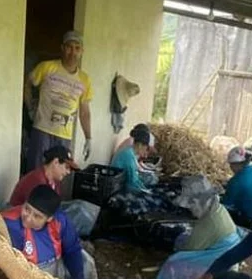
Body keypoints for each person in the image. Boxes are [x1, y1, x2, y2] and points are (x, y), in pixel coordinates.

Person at [154, 175, 242, 279]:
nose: (189, 208)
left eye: (191, 204)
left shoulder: (209, 222)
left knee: (174, 262)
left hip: (224, 263)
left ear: (201, 201)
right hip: (231, 255)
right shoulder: (217, 209)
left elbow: (189, 249)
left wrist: (177, 249)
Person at [24, 31, 93, 172]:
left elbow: (84, 112)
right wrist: (30, 107)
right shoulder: (47, 67)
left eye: (77, 48)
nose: (72, 52)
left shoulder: (84, 79)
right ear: (62, 48)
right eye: (69, 47)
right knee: (36, 173)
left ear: (82, 52)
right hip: (42, 129)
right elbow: (27, 84)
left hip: (64, 135)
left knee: (58, 175)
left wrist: (88, 138)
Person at [10, 145, 78, 206]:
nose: (68, 172)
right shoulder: (37, 180)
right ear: (55, 162)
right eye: (66, 167)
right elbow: (38, 212)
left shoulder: (55, 181)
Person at [221, 145, 252, 229]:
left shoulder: (237, 180)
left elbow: (226, 203)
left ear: (235, 164)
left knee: (221, 212)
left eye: (231, 165)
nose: (230, 167)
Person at [110, 126, 153, 193]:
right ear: (140, 145)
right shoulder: (128, 155)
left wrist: (145, 189)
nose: (145, 151)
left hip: (120, 184)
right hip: (117, 189)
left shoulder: (130, 152)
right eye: (146, 148)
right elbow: (132, 184)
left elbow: (134, 179)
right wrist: (145, 192)